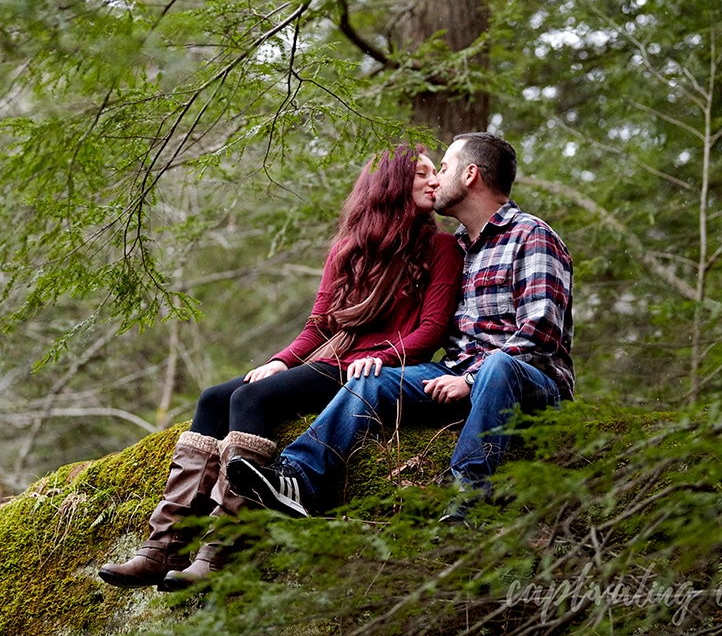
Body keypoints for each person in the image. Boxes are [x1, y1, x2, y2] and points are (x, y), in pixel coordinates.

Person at [98, 144, 463, 590]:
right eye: (421, 173)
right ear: (391, 184)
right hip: (333, 358)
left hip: (366, 369)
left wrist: (384, 357)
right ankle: (161, 548)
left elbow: (431, 331)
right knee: (214, 397)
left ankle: (220, 553)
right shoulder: (349, 249)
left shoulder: (442, 248)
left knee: (250, 399)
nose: (433, 181)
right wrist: (279, 361)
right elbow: (318, 326)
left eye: (435, 173)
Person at [227, 132, 574, 523]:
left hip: (529, 382)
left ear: (471, 174)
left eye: (444, 168)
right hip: (456, 372)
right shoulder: (458, 246)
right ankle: (299, 479)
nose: (438, 179)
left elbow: (540, 332)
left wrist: (473, 379)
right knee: (370, 380)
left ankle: (468, 496)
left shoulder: (532, 235)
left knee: (497, 366)